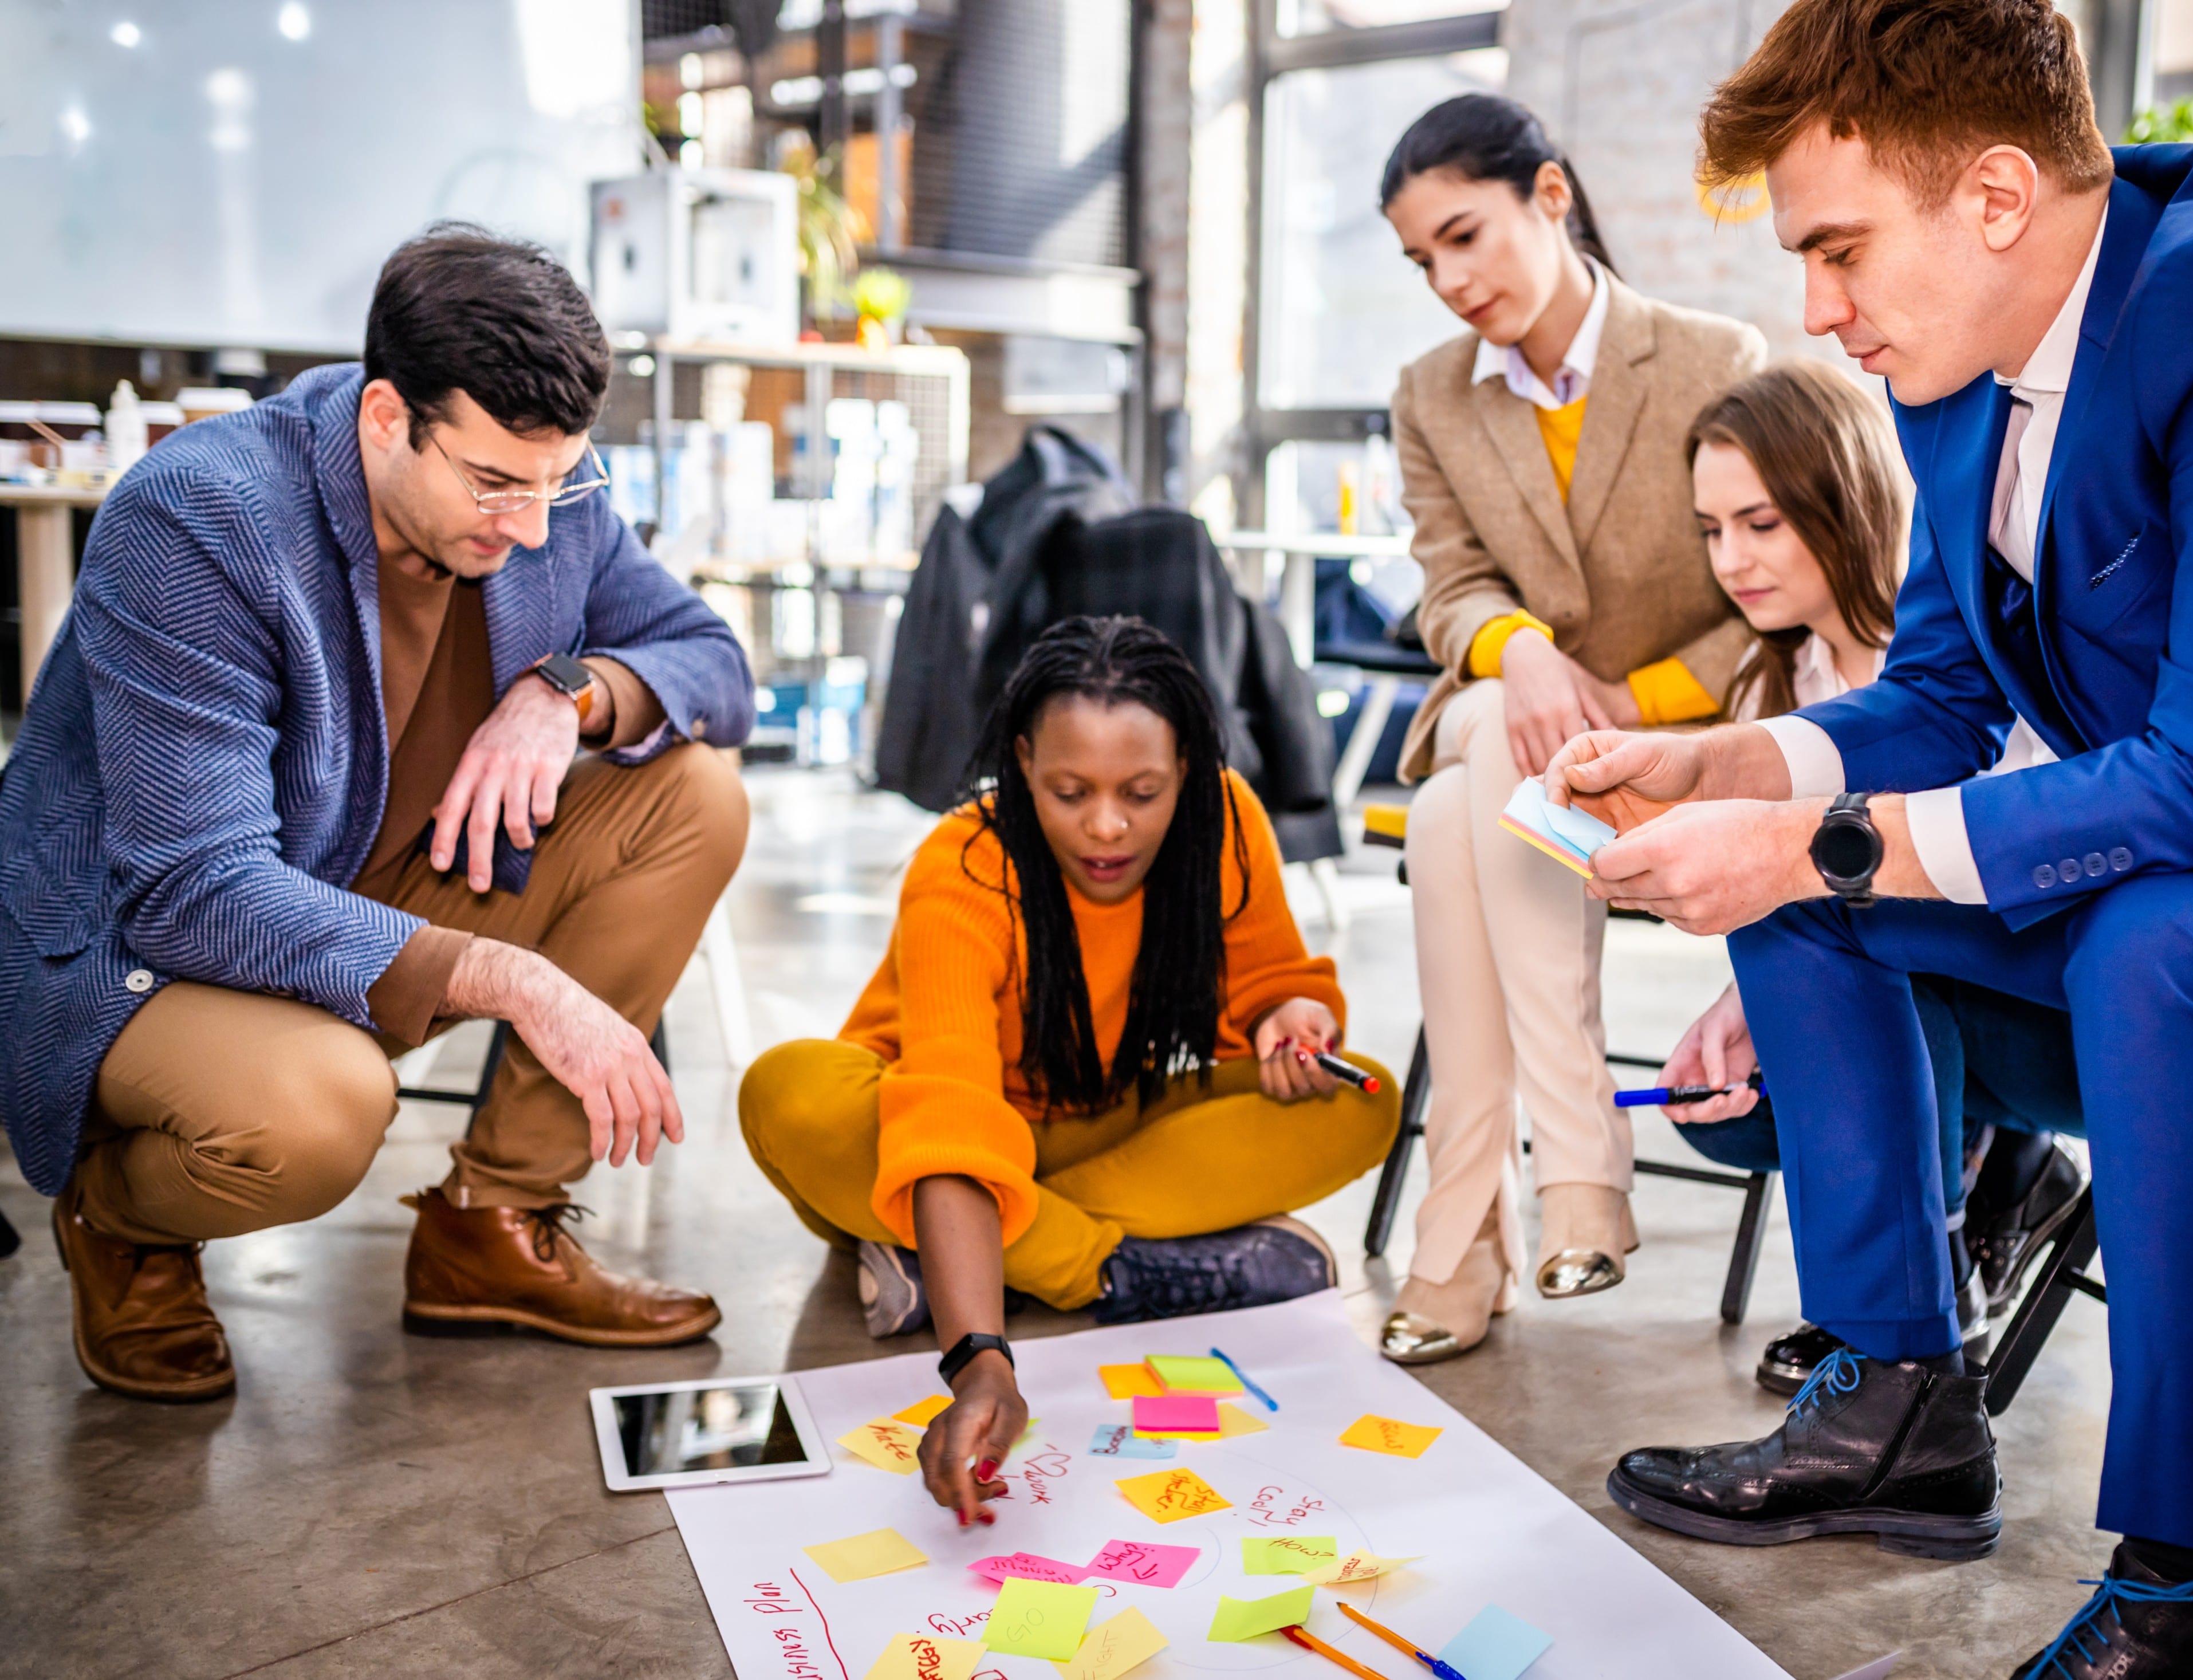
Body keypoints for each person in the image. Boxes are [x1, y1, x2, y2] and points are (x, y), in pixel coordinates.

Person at [1546, 2, 2193, 1675]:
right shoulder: (1972, 354)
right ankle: (1899, 1397)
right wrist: (1735, 762)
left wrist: (1814, 842)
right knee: (1804, 845)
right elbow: (1932, 692)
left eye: (1839, 248)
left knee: (2143, 937)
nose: (1815, 309)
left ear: (1995, 194)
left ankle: (2177, 1591)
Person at [0, 226, 755, 1403]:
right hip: (147, 949)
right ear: (385, 419)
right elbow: (196, 891)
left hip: (358, 886)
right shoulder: (199, 520)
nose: (534, 529)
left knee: (692, 797)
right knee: (321, 1111)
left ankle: (490, 1228)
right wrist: (516, 979)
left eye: (560, 481)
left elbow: (713, 660)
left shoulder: (551, 497)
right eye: (496, 483)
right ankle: (121, 1223)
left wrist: (570, 694)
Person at [739, 617, 1397, 1514]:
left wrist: (1291, 1016)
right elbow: (951, 1120)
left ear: (1190, 771)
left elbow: (1273, 983)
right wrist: (980, 1360)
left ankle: (943, 1254)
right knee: (788, 1092)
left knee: (1361, 1099)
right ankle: (1107, 1270)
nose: (1106, 826)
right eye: (1067, 790)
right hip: (933, 1128)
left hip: (1101, 1123)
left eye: (1143, 791)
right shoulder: (962, 862)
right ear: (1020, 763)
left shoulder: (1228, 817)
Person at [1373, 92, 1765, 1366]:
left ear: (1549, 195)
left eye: (1464, 235)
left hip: (1688, 743)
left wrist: (1626, 706)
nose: (1446, 280)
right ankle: (1578, 1172)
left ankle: (1459, 1245)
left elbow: (1774, 602)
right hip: (1510, 728)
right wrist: (1523, 651)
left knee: (1455, 807)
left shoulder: (1717, 361)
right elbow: (1448, 585)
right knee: (1486, 739)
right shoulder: (1430, 394)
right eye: (1422, 259)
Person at [1660, 361, 2088, 1395]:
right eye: (1713, 530)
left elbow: (2016, 876)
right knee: (1726, 1109)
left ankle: (1909, 1323)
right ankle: (1988, 1197)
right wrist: (1744, 1001)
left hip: (2064, 1014)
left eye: (1761, 523)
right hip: (1946, 1017)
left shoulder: (1960, 651)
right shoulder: (1790, 676)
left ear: (1840, 499)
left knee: (1889, 943)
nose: (1733, 559)